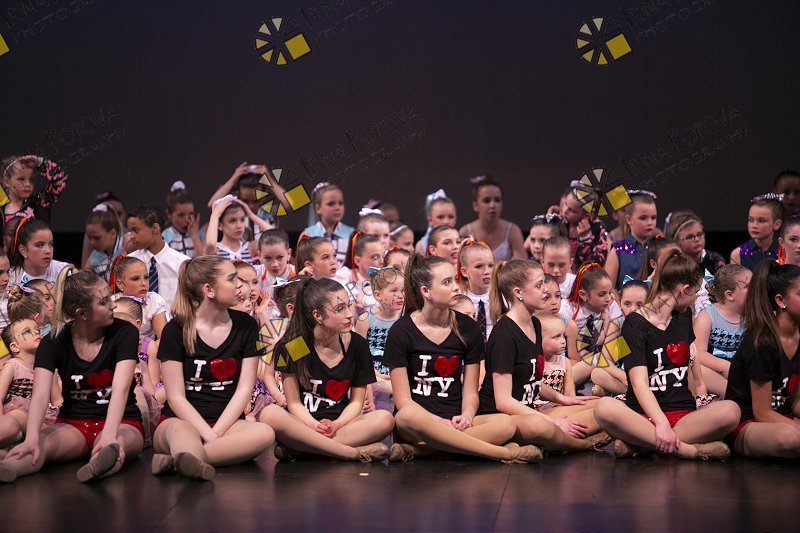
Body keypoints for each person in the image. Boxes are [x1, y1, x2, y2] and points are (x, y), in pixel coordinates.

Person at [383, 254, 542, 463]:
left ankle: (422, 450)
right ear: (426, 291)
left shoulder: (469, 328)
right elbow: (403, 401)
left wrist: (467, 415)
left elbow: (470, 391)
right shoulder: (401, 331)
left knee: (506, 424)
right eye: (447, 282)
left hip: (457, 420)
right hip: (420, 422)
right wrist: (437, 421)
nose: (456, 287)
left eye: (455, 280)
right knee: (406, 416)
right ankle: (503, 454)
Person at [1, 268, 144, 482]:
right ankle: (7, 469)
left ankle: (99, 465)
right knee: (38, 446)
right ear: (82, 313)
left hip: (123, 422)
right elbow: (40, 395)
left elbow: (121, 389)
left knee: (113, 446)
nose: (113, 305)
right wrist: (31, 438)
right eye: (104, 302)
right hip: (73, 423)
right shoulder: (52, 342)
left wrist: (109, 434)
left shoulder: (125, 332)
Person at [593, 252, 740, 460]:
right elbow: (639, 383)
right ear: (684, 290)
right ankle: (691, 451)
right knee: (604, 408)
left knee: (731, 411)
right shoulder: (634, 324)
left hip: (683, 415)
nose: (697, 297)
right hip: (645, 416)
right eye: (696, 291)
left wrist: (699, 399)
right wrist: (661, 422)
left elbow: (690, 368)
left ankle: (643, 445)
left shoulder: (685, 316)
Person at [151, 256, 275, 480]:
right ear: (209, 290)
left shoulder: (246, 326)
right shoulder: (175, 330)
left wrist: (216, 432)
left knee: (265, 433)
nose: (240, 285)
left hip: (227, 424)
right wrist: (207, 434)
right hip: (181, 421)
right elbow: (176, 397)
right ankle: (189, 455)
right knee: (180, 433)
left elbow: (244, 389)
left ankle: (181, 461)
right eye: (232, 279)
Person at [478, 259, 609, 453]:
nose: (546, 291)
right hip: (503, 417)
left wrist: (562, 399)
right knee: (542, 426)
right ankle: (582, 444)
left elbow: (532, 381)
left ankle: (556, 439)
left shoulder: (535, 324)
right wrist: (552, 420)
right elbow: (503, 401)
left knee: (601, 406)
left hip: (530, 410)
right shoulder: (504, 334)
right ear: (518, 293)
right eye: (539, 285)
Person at [257, 278, 393, 462]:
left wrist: (337, 424)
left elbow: (356, 402)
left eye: (349, 305)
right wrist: (314, 426)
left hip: (342, 425)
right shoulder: (296, 345)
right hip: (303, 424)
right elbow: (294, 403)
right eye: (340, 309)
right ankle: (351, 453)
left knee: (385, 419)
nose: (349, 314)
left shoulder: (357, 345)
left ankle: (302, 450)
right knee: (270, 414)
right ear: (317, 315)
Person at [724, 261, 800, 459]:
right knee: (790, 438)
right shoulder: (762, 342)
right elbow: (762, 413)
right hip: (749, 423)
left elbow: (795, 402)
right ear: (780, 301)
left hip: (782, 416)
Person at [0, 319, 60, 448]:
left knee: (57, 431)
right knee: (16, 416)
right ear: (14, 346)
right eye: (27, 332)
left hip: (43, 417)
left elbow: (57, 400)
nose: (36, 333)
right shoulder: (13, 366)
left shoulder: (49, 366)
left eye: (37, 329)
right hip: (18, 417)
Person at [693, 265, 749, 397]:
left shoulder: (752, 316)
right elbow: (698, 352)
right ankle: (736, 396)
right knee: (699, 370)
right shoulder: (708, 316)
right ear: (729, 295)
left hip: (744, 371)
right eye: (748, 286)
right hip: (717, 372)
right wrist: (725, 366)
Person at [127, 206, 190, 304]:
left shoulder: (182, 264)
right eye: (130, 231)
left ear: (155, 228)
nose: (131, 236)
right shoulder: (127, 263)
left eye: (136, 230)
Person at [459, 175, 526, 261]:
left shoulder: (513, 231)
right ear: (475, 205)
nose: (492, 205)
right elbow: (460, 264)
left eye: (497, 200)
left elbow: (522, 266)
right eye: (486, 200)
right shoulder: (465, 232)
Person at [604, 190, 658, 292]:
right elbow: (609, 289)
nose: (650, 222)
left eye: (653, 217)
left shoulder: (659, 247)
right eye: (643, 218)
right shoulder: (618, 250)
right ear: (628, 219)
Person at [0, 155, 68, 226]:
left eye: (31, 180)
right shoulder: (1, 209)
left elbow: (61, 178)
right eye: (21, 179)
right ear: (7, 181)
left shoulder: (39, 203)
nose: (27, 184)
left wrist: (41, 163)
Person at [302, 182, 354, 266]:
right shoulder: (307, 235)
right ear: (318, 208)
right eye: (331, 204)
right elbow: (302, 265)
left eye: (341, 203)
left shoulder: (352, 234)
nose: (337, 207)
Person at [730, 193, 783, 270]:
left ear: (777, 224)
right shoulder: (738, 254)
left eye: (761, 221)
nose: (754, 225)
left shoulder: (785, 252)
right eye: (750, 220)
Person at [457, 240, 495, 341]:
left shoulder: (502, 295)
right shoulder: (458, 296)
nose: (487, 271)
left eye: (491, 265)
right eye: (479, 266)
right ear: (465, 272)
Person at [163, 181, 204, 259]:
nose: (186, 220)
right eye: (181, 215)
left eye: (191, 214)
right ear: (169, 214)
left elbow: (205, 261)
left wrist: (195, 236)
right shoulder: (165, 237)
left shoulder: (200, 234)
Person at [84, 204, 124, 282]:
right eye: (90, 238)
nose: (92, 242)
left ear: (113, 234)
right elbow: (84, 280)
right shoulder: (94, 256)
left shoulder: (126, 248)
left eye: (97, 238)